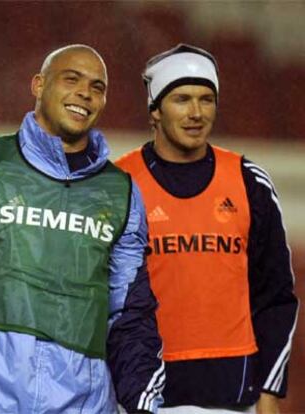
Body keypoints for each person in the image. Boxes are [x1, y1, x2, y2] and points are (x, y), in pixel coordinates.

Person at [0, 44, 165, 414]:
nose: (85, 93)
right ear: (39, 85)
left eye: (97, 86)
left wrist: (141, 403)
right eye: (71, 79)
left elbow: (130, 314)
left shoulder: (121, 193)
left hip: (83, 406)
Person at [116, 44, 299, 414]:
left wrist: (269, 389)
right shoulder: (118, 183)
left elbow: (276, 297)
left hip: (234, 396)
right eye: (182, 99)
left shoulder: (250, 183)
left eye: (207, 99)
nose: (196, 113)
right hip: (143, 397)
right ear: (155, 110)